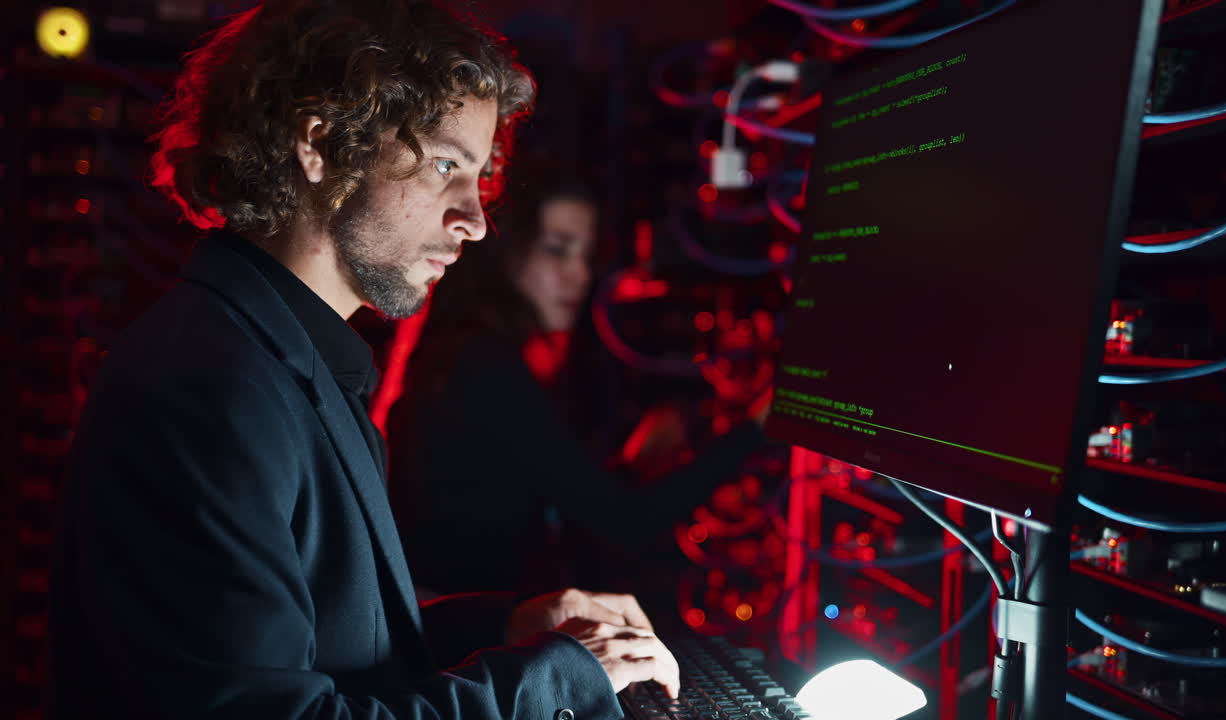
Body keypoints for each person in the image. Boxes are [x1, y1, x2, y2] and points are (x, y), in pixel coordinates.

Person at [48, 2, 681, 717]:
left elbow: (325, 647)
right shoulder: (212, 387)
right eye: (446, 165)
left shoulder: (281, 355)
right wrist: (555, 681)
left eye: (477, 178)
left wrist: (507, 627)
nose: (474, 220)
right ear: (318, 145)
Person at [386, 177, 770, 598]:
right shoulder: (486, 369)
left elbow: (547, 492)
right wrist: (759, 426)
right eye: (557, 249)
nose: (581, 274)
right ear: (505, 251)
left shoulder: (468, 353)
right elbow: (626, 522)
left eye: (587, 255)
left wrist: (631, 466)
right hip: (450, 641)